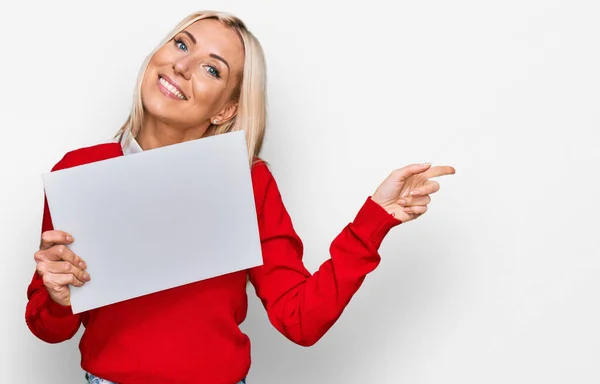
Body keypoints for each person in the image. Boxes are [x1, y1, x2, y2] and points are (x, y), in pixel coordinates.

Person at [25, 10, 455, 384]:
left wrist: (373, 221)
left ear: (226, 110)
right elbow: (47, 327)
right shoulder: (79, 172)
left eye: (213, 69)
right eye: (181, 44)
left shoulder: (248, 181)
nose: (183, 66)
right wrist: (60, 298)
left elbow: (300, 319)